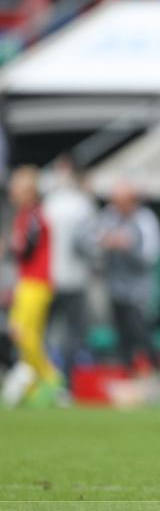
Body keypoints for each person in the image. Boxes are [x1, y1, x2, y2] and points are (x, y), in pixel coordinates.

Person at [80, 180, 160, 377]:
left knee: (141, 332)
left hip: (139, 291)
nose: (116, 206)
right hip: (115, 287)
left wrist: (127, 246)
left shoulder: (145, 219)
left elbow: (150, 256)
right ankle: (128, 375)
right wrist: (104, 243)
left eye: (120, 202)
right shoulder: (109, 217)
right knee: (122, 335)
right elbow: (89, 240)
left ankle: (159, 372)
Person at [5, 165, 62, 404]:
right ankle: (34, 382)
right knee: (25, 333)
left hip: (36, 282)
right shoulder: (26, 215)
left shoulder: (34, 216)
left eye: (16, 190)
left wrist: (8, 246)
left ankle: (49, 376)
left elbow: (27, 248)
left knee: (21, 330)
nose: (12, 195)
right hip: (28, 281)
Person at [42, 155, 96, 383]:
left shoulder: (48, 203)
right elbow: (85, 244)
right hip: (73, 279)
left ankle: (45, 379)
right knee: (73, 333)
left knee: (46, 332)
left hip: (47, 277)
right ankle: (66, 383)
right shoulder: (81, 204)